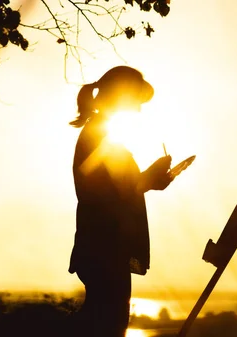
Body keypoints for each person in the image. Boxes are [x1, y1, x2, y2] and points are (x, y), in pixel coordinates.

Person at [68, 66, 172, 337]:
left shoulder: (100, 135)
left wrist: (151, 180)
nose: (138, 110)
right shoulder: (99, 138)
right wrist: (149, 177)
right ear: (120, 97)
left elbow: (121, 187)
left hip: (105, 247)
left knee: (107, 322)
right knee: (108, 325)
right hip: (105, 247)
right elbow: (112, 190)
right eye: (135, 101)